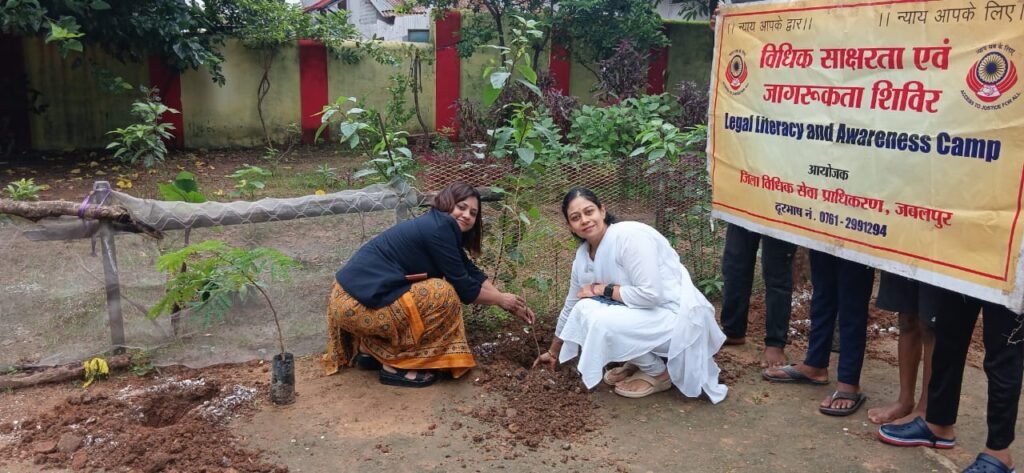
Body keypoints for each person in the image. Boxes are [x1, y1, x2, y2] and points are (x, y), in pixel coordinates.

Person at [322, 181, 535, 388]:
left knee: (431, 290)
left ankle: (370, 351)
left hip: (348, 299)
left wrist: (506, 300)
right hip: (355, 305)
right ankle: (396, 367)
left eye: (473, 213)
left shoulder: (438, 226)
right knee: (441, 293)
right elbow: (465, 289)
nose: (467, 215)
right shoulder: (440, 227)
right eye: (461, 207)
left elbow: (470, 271)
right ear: (446, 202)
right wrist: (501, 300)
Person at [532, 187, 728, 402]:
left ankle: (658, 373)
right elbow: (571, 305)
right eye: (576, 217)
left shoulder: (630, 237)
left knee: (597, 318)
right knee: (584, 309)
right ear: (570, 226)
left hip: (677, 321)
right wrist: (553, 352)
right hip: (645, 319)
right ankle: (640, 360)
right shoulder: (582, 258)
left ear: (602, 211)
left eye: (589, 212)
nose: (585, 220)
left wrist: (601, 289)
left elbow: (651, 295)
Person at [879, 285, 1023, 473]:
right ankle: (938, 423)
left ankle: (999, 453)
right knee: (948, 334)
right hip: (963, 261)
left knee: (1002, 352)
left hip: (1012, 265)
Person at [763, 250, 874, 416]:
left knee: (852, 298)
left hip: (862, 231)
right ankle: (815, 364)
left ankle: (849, 381)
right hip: (827, 228)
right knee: (822, 291)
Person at [867, 272, 934, 424]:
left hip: (940, 256)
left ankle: (926, 408)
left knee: (930, 324)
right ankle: (904, 401)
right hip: (908, 253)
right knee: (907, 317)